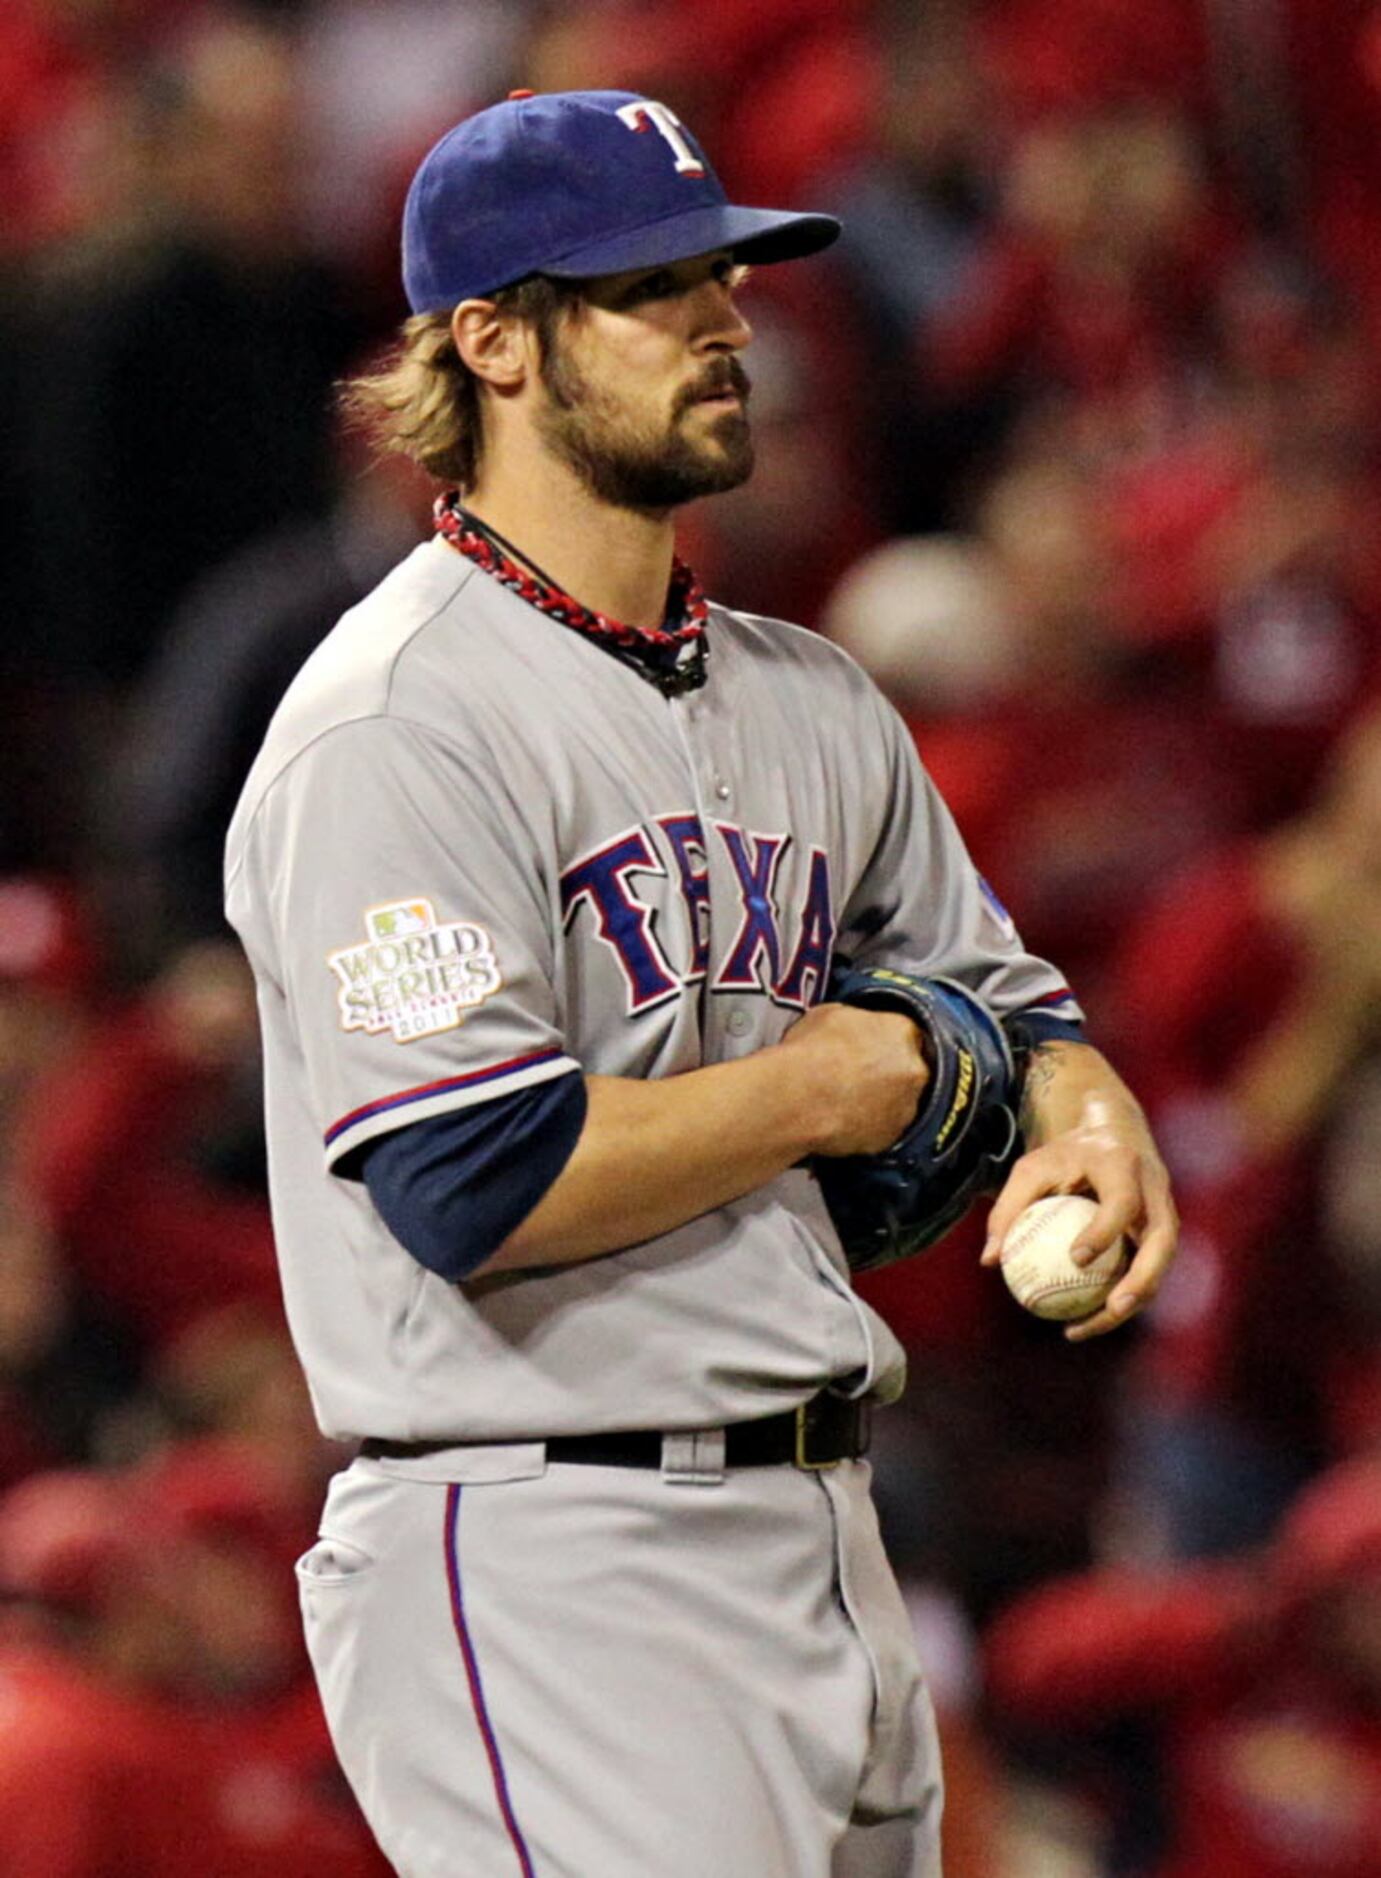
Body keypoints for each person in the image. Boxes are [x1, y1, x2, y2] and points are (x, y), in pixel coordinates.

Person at [224, 88, 1178, 1878]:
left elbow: (1012, 1007)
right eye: (649, 287)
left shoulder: (808, 695)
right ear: (491, 344)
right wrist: (831, 1086)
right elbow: (471, 1178)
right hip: (546, 1547)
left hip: (820, 1519)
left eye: (723, 275)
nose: (725, 320)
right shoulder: (396, 722)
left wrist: (1086, 1120)